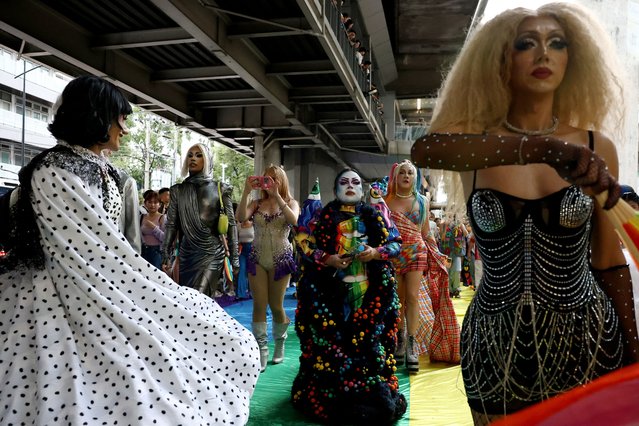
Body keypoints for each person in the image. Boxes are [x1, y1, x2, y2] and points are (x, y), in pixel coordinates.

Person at [410, 3, 639, 423]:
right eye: (525, 43)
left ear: (574, 59)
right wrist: (539, 148)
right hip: (494, 350)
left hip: (587, 342)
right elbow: (425, 149)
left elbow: (608, 260)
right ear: (500, 58)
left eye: (557, 43)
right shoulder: (473, 145)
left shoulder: (595, 145)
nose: (543, 54)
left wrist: (633, 351)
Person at [0, 75, 259, 424]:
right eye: (118, 117)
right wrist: (153, 285)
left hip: (130, 272)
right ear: (96, 116)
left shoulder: (106, 171)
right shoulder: (55, 170)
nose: (124, 127)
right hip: (64, 296)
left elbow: (114, 242)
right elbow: (89, 249)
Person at [291, 169, 406, 424]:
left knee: (367, 339)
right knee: (335, 338)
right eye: (344, 182)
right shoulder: (320, 215)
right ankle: (335, 387)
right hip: (330, 295)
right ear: (335, 189)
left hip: (370, 295)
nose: (351, 186)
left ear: (363, 189)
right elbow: (303, 241)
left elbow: (397, 243)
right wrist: (327, 258)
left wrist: (376, 252)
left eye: (356, 182)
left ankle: (367, 387)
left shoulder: (377, 214)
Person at [385, 160, 460, 373]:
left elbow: (426, 231)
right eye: (402, 173)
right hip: (394, 253)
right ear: (396, 177)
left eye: (410, 173)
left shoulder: (422, 200)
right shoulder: (386, 200)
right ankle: (400, 340)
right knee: (398, 299)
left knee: (413, 297)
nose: (406, 176)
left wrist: (436, 252)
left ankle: (411, 343)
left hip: (417, 251)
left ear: (415, 177)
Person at [236, 165, 300, 371]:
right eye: (266, 178)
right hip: (257, 258)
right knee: (259, 305)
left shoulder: (291, 202)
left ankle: (279, 343)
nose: (269, 182)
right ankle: (261, 349)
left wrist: (278, 197)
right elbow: (240, 217)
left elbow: (294, 220)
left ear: (281, 181)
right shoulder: (256, 203)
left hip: (281, 259)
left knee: (276, 306)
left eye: (273, 179)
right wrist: (247, 190)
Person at [161, 143, 240, 296]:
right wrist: (165, 252)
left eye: (199, 155)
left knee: (199, 298)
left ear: (207, 159)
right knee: (188, 301)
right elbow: (171, 224)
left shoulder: (221, 188)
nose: (193, 159)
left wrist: (234, 257)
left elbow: (231, 224)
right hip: (186, 254)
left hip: (211, 253)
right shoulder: (177, 190)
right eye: (190, 155)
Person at [140, 189, 166, 269]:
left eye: (155, 202)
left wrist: (154, 228)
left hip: (157, 252)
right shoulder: (141, 217)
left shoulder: (162, 217)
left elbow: (165, 238)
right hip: (143, 251)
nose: (152, 205)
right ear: (145, 204)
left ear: (160, 204)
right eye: (150, 202)